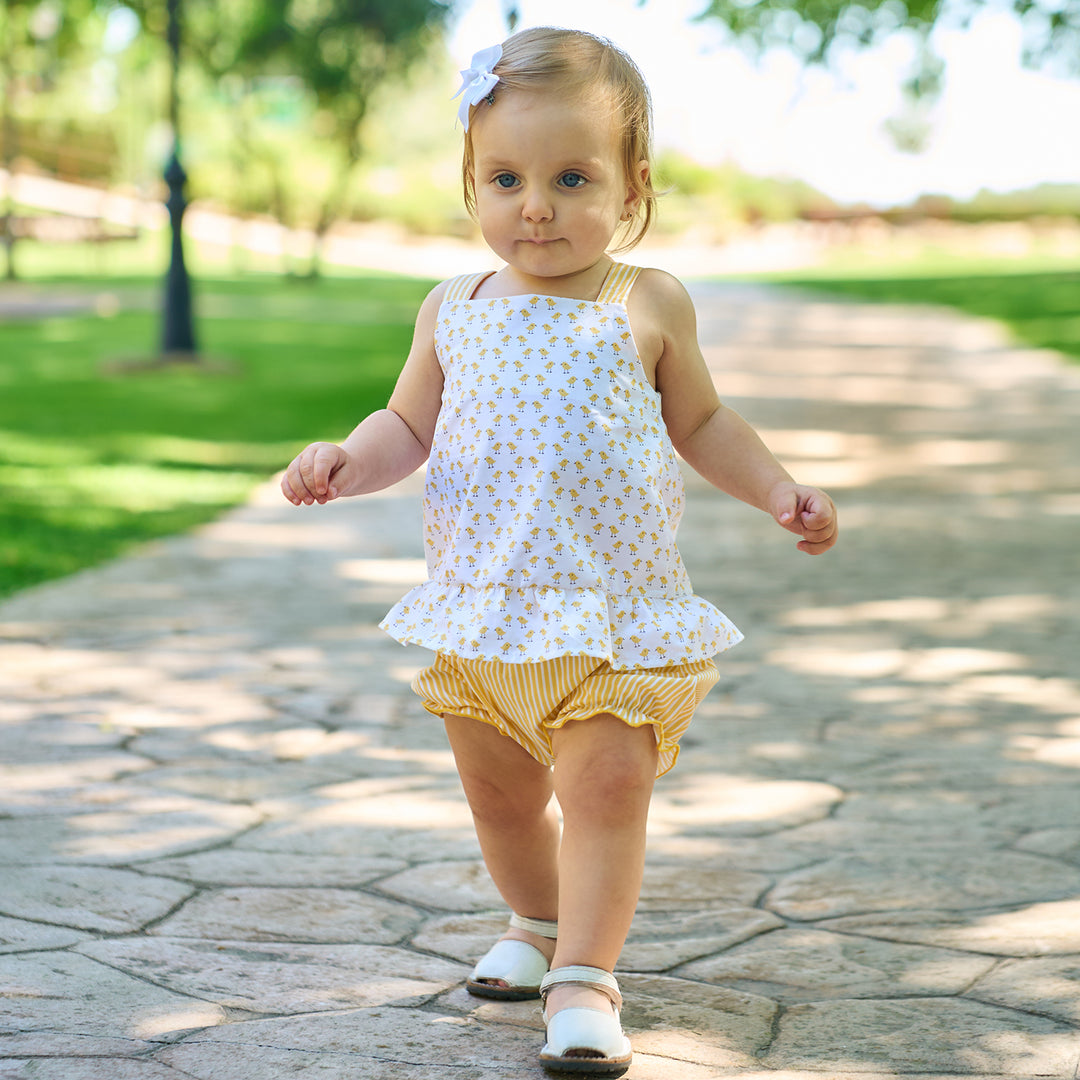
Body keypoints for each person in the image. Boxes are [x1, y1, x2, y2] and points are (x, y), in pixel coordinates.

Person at [281, 26, 837, 1076]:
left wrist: (778, 490)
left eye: (571, 176)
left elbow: (704, 423)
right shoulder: (454, 308)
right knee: (499, 798)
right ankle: (535, 923)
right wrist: (345, 460)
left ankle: (587, 974)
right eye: (506, 177)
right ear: (471, 183)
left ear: (634, 187)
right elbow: (406, 425)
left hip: (610, 613)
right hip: (483, 611)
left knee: (606, 789)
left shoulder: (647, 300)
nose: (535, 204)